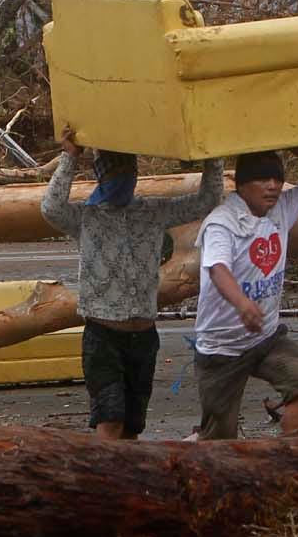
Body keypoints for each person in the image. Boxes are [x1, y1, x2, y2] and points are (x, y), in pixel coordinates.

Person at [41, 130, 223, 440]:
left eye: (127, 172)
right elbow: (51, 208)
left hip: (143, 337)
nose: (121, 179)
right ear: (100, 174)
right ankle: (105, 484)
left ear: (136, 173)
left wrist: (212, 158)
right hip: (103, 337)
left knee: (132, 426)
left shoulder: (151, 212)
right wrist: (71, 157)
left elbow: (206, 199)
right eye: (113, 172)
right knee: (109, 420)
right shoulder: (88, 216)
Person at [192, 145, 298, 439]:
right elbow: (218, 268)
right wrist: (242, 303)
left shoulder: (281, 207)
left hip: (265, 338)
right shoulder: (221, 223)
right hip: (222, 347)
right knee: (219, 436)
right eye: (262, 179)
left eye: (277, 179)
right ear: (242, 184)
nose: (272, 186)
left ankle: (290, 461)